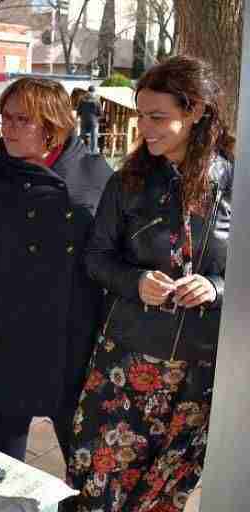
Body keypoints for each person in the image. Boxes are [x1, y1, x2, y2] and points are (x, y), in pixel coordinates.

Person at [66, 55, 233, 511]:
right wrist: (136, 281)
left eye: (157, 117)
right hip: (128, 359)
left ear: (195, 111)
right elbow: (95, 258)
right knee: (103, 485)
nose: (144, 127)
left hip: (199, 371)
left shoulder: (236, 186)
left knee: (163, 493)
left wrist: (216, 288)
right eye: (141, 115)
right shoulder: (128, 183)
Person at [0, 77, 113, 462]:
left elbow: (115, 247)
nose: (8, 127)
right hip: (11, 327)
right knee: (7, 444)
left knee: (81, 448)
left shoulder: (95, 173)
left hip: (72, 330)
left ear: (52, 126)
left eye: (22, 119)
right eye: (5, 117)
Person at [77, 85, 102, 154]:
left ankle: (81, 152)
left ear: (87, 91)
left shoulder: (82, 100)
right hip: (93, 122)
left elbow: (78, 111)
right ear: (94, 92)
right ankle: (93, 153)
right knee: (94, 138)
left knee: (82, 138)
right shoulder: (97, 100)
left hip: (83, 121)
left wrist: (80, 117)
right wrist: (97, 118)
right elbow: (100, 113)